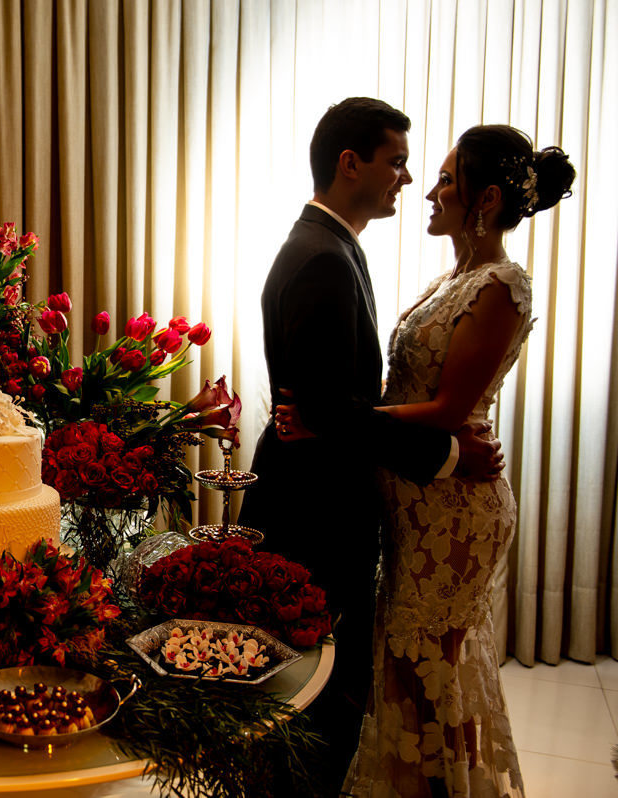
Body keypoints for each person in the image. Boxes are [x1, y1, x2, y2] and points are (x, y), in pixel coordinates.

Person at [276, 125, 575, 795]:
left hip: (456, 507)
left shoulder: (503, 285)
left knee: (431, 668)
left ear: (487, 198)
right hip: (415, 494)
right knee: (405, 667)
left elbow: (445, 409)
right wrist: (348, 422)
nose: (429, 192)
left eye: (445, 179)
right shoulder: (455, 278)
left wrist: (329, 423)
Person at [237, 98, 503, 795]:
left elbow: (330, 406)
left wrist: (327, 415)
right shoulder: (322, 258)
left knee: (328, 690)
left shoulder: (330, 247)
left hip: (320, 488)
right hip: (316, 508)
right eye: (397, 162)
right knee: (314, 693)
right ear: (349, 163)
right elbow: (333, 409)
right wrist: (449, 456)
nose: (407, 180)